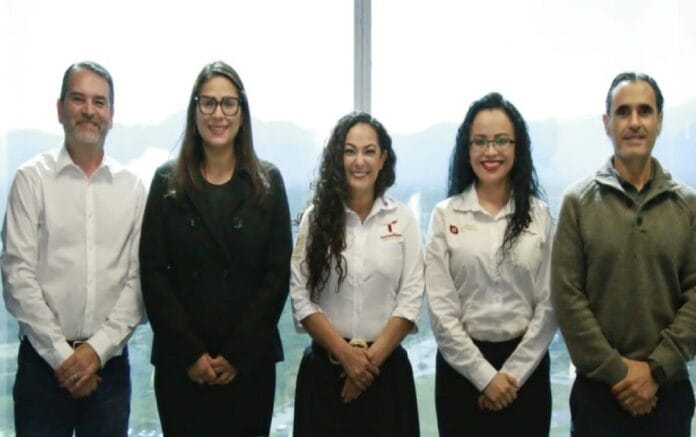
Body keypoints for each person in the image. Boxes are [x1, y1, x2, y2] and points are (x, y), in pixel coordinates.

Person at [139, 60, 291, 436]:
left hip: (249, 364)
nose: (218, 114)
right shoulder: (166, 182)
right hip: (182, 365)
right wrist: (190, 354)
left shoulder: (268, 182)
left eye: (228, 103)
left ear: (242, 113)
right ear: (194, 112)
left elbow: (277, 277)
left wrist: (237, 354)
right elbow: (153, 274)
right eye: (208, 103)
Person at [1, 61, 146, 436]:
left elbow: (139, 282)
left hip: (109, 371)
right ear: (60, 108)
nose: (89, 110)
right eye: (78, 99)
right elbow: (17, 277)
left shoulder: (132, 188)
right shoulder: (31, 180)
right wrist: (63, 357)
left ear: (111, 115)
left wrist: (95, 352)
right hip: (41, 369)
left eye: (99, 102)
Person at [551, 72, 696, 436]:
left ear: (659, 121)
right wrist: (619, 373)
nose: (634, 122)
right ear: (607, 123)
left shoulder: (688, 205)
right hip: (598, 395)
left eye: (644, 111)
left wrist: (655, 370)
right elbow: (568, 299)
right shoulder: (577, 203)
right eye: (623, 112)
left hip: (669, 392)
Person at [425, 92, 556, 436]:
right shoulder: (445, 215)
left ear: (517, 147)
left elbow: (550, 305)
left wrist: (510, 376)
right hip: (461, 374)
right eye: (480, 141)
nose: (490, 151)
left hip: (526, 374)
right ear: (467, 149)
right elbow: (441, 310)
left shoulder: (540, 216)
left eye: (501, 141)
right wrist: (484, 377)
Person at [290, 112, 424, 436]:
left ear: (383, 159)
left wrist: (366, 365)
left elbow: (411, 298)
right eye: (349, 151)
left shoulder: (403, 219)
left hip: (387, 375)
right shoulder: (315, 219)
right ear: (338, 158)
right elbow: (301, 297)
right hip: (325, 375)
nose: (359, 161)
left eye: (369, 151)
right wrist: (345, 356)